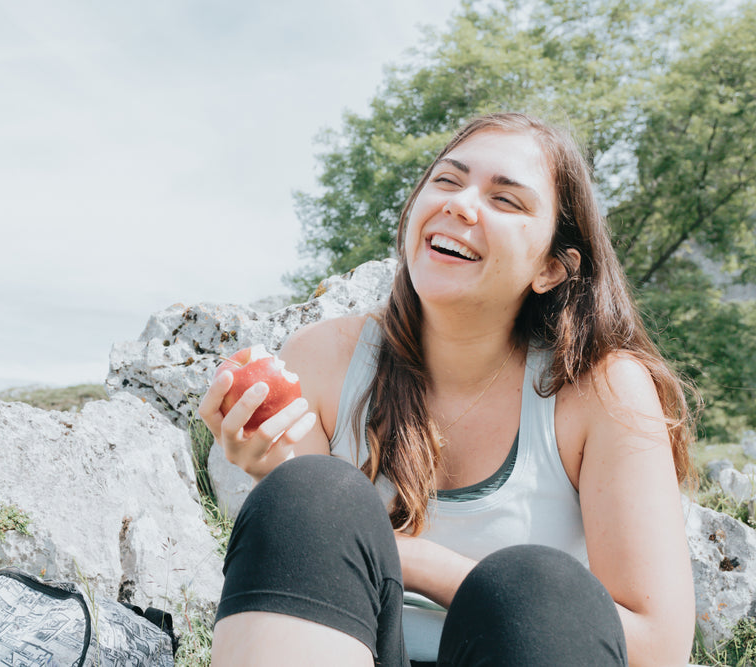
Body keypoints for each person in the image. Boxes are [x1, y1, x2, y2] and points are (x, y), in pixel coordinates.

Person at [198, 112, 696, 666]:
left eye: (506, 200)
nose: (460, 204)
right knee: (312, 493)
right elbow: (324, 557)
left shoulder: (600, 390)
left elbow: (658, 647)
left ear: (553, 268)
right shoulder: (323, 357)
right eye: (447, 181)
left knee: (541, 589)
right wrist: (276, 472)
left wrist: (423, 563)